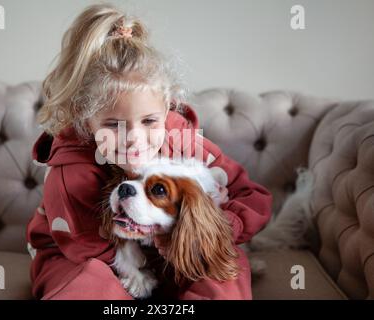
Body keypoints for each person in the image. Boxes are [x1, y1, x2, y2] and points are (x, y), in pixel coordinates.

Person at [26, 3, 272, 300]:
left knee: (227, 269)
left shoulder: (184, 143)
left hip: (176, 251)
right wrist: (137, 276)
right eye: (113, 125)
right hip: (86, 256)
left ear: (167, 109)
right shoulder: (71, 169)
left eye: (149, 121)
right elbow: (82, 245)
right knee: (86, 279)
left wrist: (209, 233)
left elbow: (253, 198)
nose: (134, 138)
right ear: (85, 118)